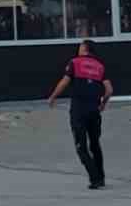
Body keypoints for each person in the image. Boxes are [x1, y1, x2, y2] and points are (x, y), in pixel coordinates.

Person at [46, 39, 113, 190]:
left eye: (80, 47)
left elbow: (64, 82)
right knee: (95, 144)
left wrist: (53, 96)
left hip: (79, 110)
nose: (78, 49)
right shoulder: (100, 66)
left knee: (81, 147)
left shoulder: (75, 63)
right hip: (94, 110)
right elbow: (109, 90)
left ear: (85, 49)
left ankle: (94, 178)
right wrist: (103, 103)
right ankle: (101, 177)